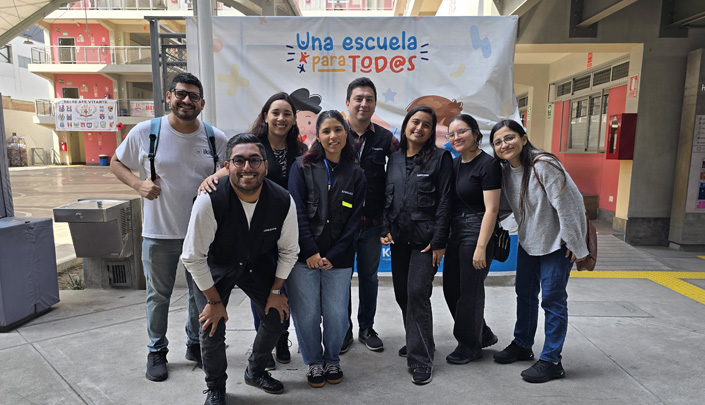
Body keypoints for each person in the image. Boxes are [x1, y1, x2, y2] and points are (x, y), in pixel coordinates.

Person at [110, 73, 228, 382]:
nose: (187, 100)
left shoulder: (215, 138)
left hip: (201, 235)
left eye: (193, 96)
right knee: (158, 296)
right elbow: (116, 162)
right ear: (169, 96)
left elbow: (232, 166)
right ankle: (157, 350)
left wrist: (217, 175)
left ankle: (194, 343)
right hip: (159, 233)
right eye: (181, 94)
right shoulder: (146, 131)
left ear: (202, 103)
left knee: (198, 295)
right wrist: (138, 184)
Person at [181, 134, 299, 404]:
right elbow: (193, 257)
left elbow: (289, 251)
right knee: (212, 325)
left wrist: (276, 292)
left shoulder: (282, 200)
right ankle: (216, 387)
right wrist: (214, 302)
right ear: (227, 166)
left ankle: (255, 371)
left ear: (265, 166)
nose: (247, 167)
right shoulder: (209, 200)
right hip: (215, 264)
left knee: (276, 316)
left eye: (254, 160)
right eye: (239, 161)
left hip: (256, 263)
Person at [199, 92, 307, 368]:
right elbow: (235, 169)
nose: (281, 118)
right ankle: (261, 351)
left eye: (287, 113)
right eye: (275, 112)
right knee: (256, 294)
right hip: (249, 231)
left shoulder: (300, 150)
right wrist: (213, 179)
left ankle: (280, 339)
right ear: (265, 116)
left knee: (277, 294)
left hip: (281, 224)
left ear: (294, 119)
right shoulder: (253, 146)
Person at [489, 119, 588, 383]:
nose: (504, 144)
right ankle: (523, 344)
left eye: (509, 137)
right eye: (498, 142)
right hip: (528, 242)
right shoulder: (506, 171)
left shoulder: (543, 164)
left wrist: (575, 243)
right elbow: (506, 206)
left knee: (553, 301)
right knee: (525, 294)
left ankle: (552, 360)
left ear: (523, 138)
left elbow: (570, 204)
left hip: (557, 244)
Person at [287, 110, 366, 388]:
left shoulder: (356, 173)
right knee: (307, 314)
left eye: (338, 129)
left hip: (338, 260)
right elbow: (295, 211)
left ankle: (332, 359)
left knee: (336, 315)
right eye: (326, 131)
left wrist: (332, 256)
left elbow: (354, 222)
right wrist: (310, 250)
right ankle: (314, 362)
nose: (333, 136)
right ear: (318, 136)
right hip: (303, 258)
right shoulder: (301, 167)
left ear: (346, 133)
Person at [380, 106, 452, 385]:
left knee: (417, 293)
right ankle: (417, 339)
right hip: (399, 238)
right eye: (415, 122)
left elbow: (445, 201)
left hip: (426, 241)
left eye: (426, 124)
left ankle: (421, 359)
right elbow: (388, 197)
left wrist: (439, 240)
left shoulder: (441, 158)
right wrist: (384, 227)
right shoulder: (395, 158)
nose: (419, 128)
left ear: (432, 131)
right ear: (406, 125)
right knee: (402, 294)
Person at [341, 77, 399, 353]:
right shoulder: (334, 132)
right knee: (341, 279)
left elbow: (403, 166)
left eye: (369, 99)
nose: (363, 103)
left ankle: (366, 327)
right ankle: (343, 329)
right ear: (348, 103)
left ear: (375, 104)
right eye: (358, 98)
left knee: (369, 277)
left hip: (372, 223)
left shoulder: (386, 138)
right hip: (340, 225)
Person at [442, 114, 502, 365]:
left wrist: (481, 247)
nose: (456, 137)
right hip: (455, 234)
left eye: (462, 131)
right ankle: (482, 333)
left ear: (476, 133)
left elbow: (492, 209)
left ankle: (470, 346)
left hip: (477, 234)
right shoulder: (454, 164)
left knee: (469, 293)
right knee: (450, 290)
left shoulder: (488, 165)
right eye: (452, 134)